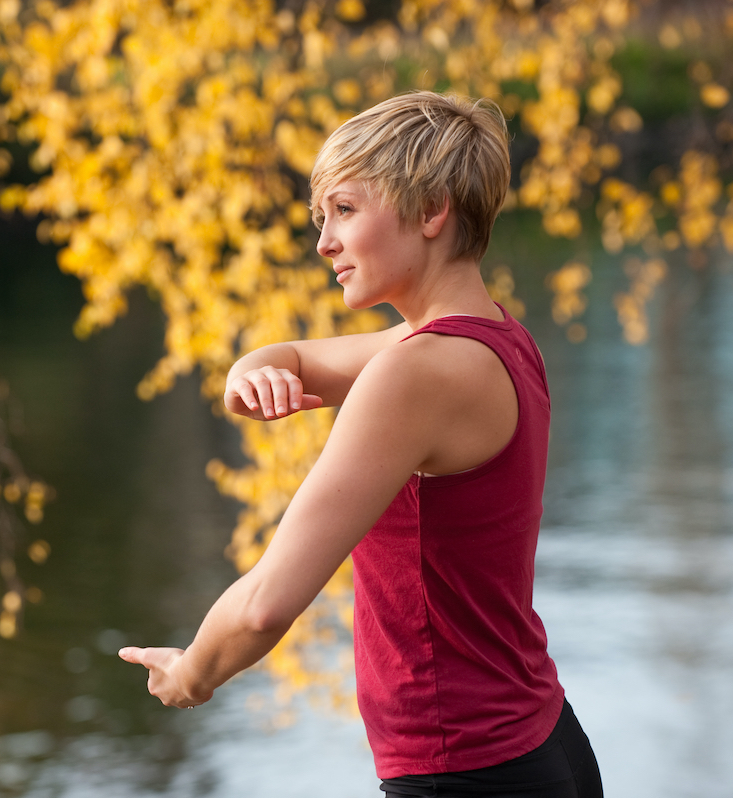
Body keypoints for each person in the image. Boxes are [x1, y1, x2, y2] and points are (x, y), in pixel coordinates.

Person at [120, 91, 603, 798]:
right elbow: (292, 357)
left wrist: (192, 672)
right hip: (541, 742)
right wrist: (251, 375)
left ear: (433, 208)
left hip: (467, 772)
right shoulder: (494, 338)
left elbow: (265, 606)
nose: (324, 243)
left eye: (345, 211)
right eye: (322, 219)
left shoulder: (414, 374)